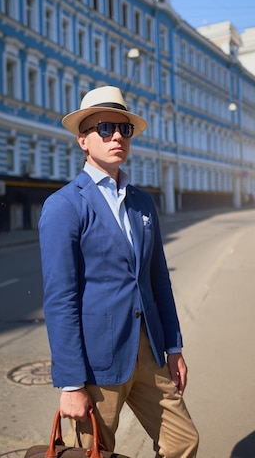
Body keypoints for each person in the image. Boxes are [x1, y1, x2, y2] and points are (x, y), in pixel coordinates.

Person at [38, 86, 199, 457]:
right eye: (105, 128)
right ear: (83, 140)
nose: (116, 137)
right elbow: (60, 299)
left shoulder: (142, 202)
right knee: (93, 453)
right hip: (97, 363)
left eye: (124, 130)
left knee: (183, 441)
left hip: (149, 352)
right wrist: (71, 383)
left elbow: (158, 279)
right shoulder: (64, 206)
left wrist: (173, 347)